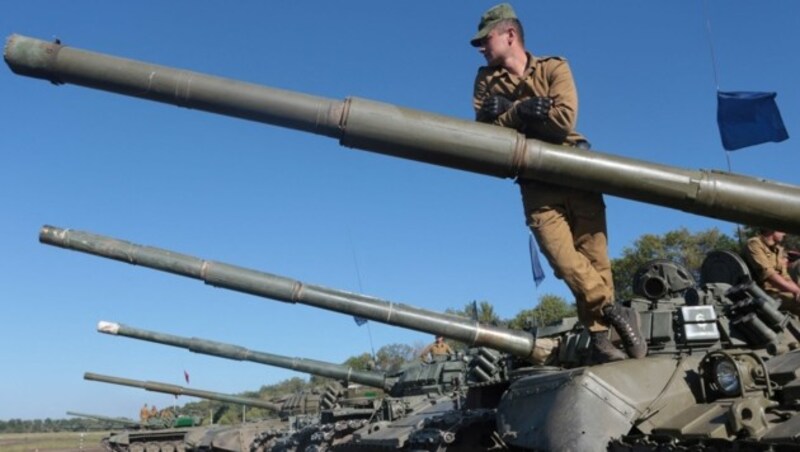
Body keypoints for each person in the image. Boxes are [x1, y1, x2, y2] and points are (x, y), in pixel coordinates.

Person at [470, 3, 646, 363]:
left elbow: (562, 121)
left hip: (575, 167)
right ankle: (613, 309)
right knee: (564, 263)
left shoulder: (555, 67)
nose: (481, 49)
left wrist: (509, 114)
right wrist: (522, 111)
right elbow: (483, 137)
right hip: (535, 183)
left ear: (510, 34)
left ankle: (600, 338)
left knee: (595, 257)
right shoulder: (485, 80)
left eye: (485, 40)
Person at [744, 228, 800, 314]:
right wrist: (796, 291)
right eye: (781, 230)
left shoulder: (777, 249)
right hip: (763, 294)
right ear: (771, 229)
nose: (784, 234)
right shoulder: (754, 243)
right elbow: (769, 275)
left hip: (779, 291)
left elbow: (786, 277)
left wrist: (797, 291)